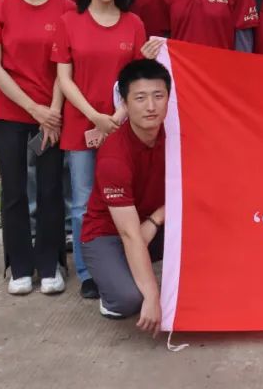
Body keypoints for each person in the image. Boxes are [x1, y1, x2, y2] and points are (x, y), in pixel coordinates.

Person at [52, 0, 152, 300]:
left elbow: (138, 80)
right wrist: (95, 117)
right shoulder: (69, 21)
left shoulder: (133, 23)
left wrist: (114, 120)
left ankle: (122, 263)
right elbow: (64, 79)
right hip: (80, 125)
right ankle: (87, 271)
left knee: (123, 199)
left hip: (124, 128)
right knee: (82, 202)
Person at [0, 0, 74, 295]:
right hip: (9, 115)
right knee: (14, 190)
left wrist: (52, 111)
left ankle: (51, 264)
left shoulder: (66, 9)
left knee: (51, 188)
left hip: (51, 116)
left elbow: (64, 66)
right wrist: (33, 108)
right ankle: (18, 265)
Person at [80, 59, 170, 334]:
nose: (151, 106)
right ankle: (112, 282)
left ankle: (134, 268)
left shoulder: (175, 138)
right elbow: (130, 234)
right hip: (109, 234)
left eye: (158, 96)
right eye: (140, 98)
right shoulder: (114, 157)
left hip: (153, 224)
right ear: (125, 103)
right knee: (129, 299)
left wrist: (156, 218)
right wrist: (152, 296)